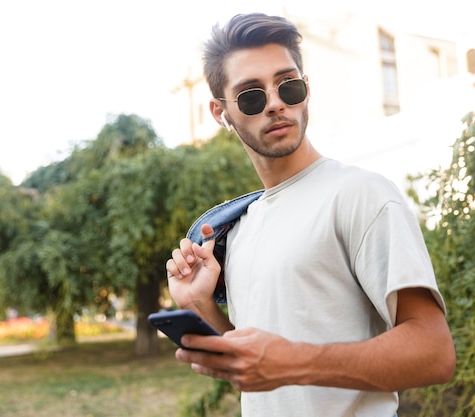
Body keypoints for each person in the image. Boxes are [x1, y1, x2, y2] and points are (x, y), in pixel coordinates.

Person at [165, 12, 455, 417]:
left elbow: (434, 352)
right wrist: (201, 306)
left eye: (289, 85)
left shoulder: (360, 194)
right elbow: (259, 368)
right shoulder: (244, 227)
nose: (276, 103)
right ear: (220, 113)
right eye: (251, 95)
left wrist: (293, 362)